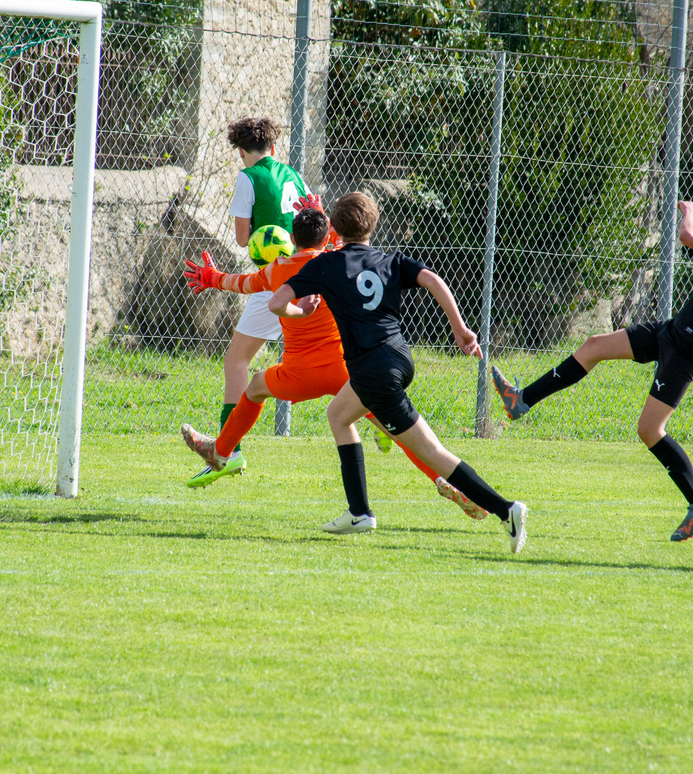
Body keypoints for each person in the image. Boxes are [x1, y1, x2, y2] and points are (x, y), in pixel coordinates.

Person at [491, 194, 693, 541]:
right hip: (672, 331)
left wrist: (690, 212)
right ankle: (521, 400)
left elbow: (688, 237)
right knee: (594, 347)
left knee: (650, 430)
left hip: (687, 352)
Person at [179, 207, 487, 519]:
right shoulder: (334, 261)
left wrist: (210, 277)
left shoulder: (276, 270)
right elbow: (350, 241)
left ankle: (223, 452)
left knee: (256, 386)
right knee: (398, 428)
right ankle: (444, 480)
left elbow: (240, 283)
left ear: (292, 239)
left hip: (298, 374)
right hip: (345, 371)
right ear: (326, 236)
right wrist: (327, 217)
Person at [268, 192, 529, 551]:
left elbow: (276, 303)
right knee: (339, 414)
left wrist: (303, 312)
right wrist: (460, 328)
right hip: (398, 357)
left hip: (373, 370)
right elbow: (433, 280)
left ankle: (506, 510)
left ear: (334, 229)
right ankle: (358, 512)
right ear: (372, 225)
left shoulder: (325, 265)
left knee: (432, 452)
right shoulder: (390, 259)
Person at [215, 117, 312, 463]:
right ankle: (384, 417)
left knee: (236, 360)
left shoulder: (248, 177)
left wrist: (262, 232)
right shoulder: (294, 174)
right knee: (334, 364)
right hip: (310, 272)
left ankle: (228, 450)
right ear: (272, 147)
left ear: (241, 152)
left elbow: (243, 239)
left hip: (277, 277)